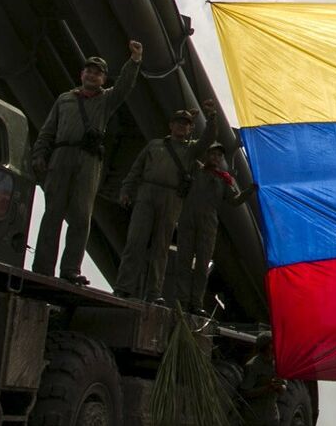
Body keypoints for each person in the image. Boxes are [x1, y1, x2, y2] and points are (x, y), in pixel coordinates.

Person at [29, 41, 143, 285]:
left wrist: (134, 61)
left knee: (81, 216)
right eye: (89, 71)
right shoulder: (65, 100)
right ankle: (42, 268)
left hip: (88, 161)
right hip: (61, 156)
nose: (92, 75)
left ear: (103, 79)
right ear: (82, 74)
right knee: (52, 214)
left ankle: (70, 269)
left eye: (98, 73)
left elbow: (124, 87)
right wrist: (39, 154)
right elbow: (48, 130)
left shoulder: (106, 100)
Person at [116, 102, 222, 301]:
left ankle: (154, 292)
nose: (182, 126)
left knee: (161, 246)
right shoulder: (154, 146)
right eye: (178, 123)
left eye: (186, 124)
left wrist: (212, 117)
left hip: (172, 198)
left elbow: (209, 138)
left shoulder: (191, 150)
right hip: (147, 194)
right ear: (170, 125)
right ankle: (124, 286)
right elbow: (136, 170)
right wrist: (126, 190)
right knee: (135, 242)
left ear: (191, 128)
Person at [164, 142, 251, 309]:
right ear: (207, 155)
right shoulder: (195, 169)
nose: (215, 158)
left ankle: (196, 302)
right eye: (212, 154)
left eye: (219, 155)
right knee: (184, 260)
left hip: (208, 223)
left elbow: (234, 201)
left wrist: (250, 190)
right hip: (188, 219)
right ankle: (181, 300)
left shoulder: (224, 179)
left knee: (202, 265)